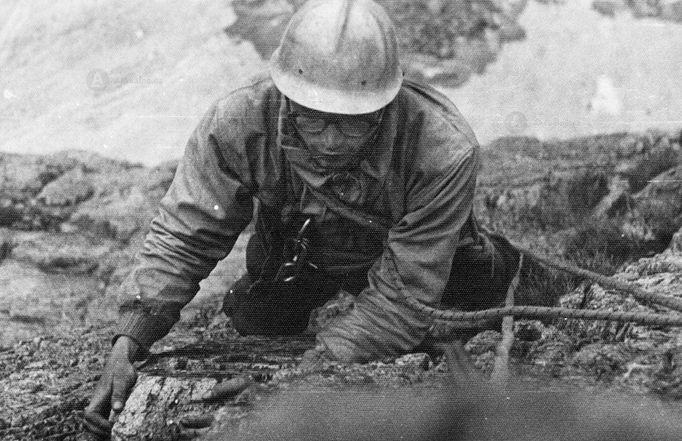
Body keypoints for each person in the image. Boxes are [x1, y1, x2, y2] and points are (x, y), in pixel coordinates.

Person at [84, 0, 534, 436]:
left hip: (418, 261)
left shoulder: (443, 150)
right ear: (286, 98)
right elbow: (185, 235)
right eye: (312, 120)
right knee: (254, 322)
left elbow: (403, 297)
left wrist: (298, 381)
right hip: (298, 255)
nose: (332, 140)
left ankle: (510, 267)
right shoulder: (238, 123)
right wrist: (129, 340)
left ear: (384, 105)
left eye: (353, 122)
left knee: (471, 304)